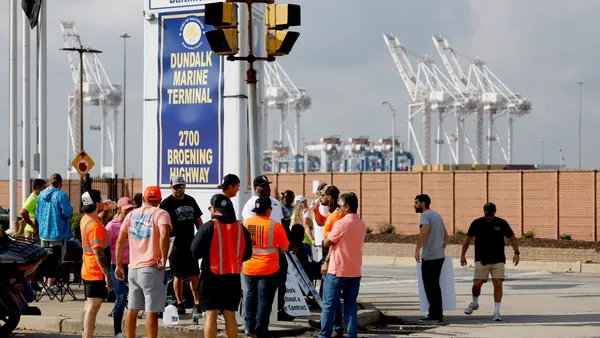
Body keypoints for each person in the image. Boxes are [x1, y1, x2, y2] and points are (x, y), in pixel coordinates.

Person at [191, 194, 253, 338]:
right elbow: (248, 254)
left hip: (211, 276)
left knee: (211, 315)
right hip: (233, 277)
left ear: (213, 209)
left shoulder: (209, 227)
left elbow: (195, 252)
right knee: (230, 316)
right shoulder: (240, 227)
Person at [115, 186, 172, 338]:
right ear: (159, 200)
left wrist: (119, 265)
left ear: (144, 199)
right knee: (151, 311)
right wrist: (164, 258)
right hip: (151, 268)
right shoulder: (161, 213)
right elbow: (165, 234)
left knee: (132, 309)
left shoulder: (131, 214)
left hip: (133, 269)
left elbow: (120, 241)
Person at [461, 202, 520, 321]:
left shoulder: (501, 223)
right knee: (477, 284)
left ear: (495, 212)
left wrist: (516, 253)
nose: (489, 218)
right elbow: (467, 239)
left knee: (498, 283)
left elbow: (512, 238)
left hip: (498, 259)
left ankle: (496, 312)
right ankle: (474, 302)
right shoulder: (477, 223)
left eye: (491, 215)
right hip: (481, 259)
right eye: (487, 215)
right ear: (484, 212)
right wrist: (463, 255)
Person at [319, 192, 366, 338]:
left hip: (337, 271)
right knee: (351, 306)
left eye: (340, 206)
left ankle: (324, 335)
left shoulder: (342, 223)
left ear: (347, 206)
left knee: (329, 306)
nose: (338, 209)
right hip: (354, 271)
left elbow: (327, 242)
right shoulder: (361, 224)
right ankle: (352, 335)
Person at [243, 196, 290, 338]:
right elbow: (284, 248)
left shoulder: (245, 223)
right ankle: (261, 331)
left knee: (251, 296)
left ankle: (248, 327)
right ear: (268, 210)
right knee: (264, 300)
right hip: (268, 269)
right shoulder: (275, 225)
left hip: (249, 267)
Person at [159, 175, 203, 315]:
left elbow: (198, 221)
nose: (179, 189)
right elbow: (163, 227)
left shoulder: (190, 200)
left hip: (191, 244)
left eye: (181, 186)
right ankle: (180, 302)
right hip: (176, 245)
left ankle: (197, 302)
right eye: (176, 186)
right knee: (178, 275)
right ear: (170, 186)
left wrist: (200, 238)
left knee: (194, 273)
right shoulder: (166, 204)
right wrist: (169, 243)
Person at [79, 190, 113, 338]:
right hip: (96, 272)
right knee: (93, 307)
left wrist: (107, 206)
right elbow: (99, 253)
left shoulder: (86, 220)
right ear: (97, 204)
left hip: (87, 269)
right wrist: (107, 275)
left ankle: (84, 334)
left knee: (88, 306)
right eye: (100, 201)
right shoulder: (95, 227)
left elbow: (99, 215)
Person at [414, 194, 448, 323]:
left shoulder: (425, 216)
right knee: (435, 285)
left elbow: (424, 232)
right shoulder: (437, 215)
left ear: (423, 204)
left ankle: (434, 314)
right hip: (439, 256)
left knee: (429, 286)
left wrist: (417, 249)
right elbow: (446, 234)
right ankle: (437, 313)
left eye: (416, 202)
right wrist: (441, 247)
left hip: (429, 257)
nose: (415, 205)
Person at [36, 173, 74, 290]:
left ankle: (45, 285)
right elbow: (67, 212)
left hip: (44, 233)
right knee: (57, 260)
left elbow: (37, 214)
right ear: (60, 184)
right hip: (57, 233)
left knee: (45, 259)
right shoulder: (61, 195)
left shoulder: (41, 195)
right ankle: (51, 285)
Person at [105, 197, 135, 338]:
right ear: (119, 209)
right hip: (117, 266)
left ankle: (130, 331)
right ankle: (118, 331)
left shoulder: (134, 223)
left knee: (135, 299)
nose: (130, 211)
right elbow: (104, 248)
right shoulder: (112, 226)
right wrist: (107, 272)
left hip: (133, 264)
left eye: (131, 208)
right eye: (127, 209)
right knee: (121, 298)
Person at [291, 195, 314, 261]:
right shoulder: (306, 211)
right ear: (305, 202)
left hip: (296, 243)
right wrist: (312, 239)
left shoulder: (294, 214)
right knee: (308, 264)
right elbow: (306, 226)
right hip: (305, 241)